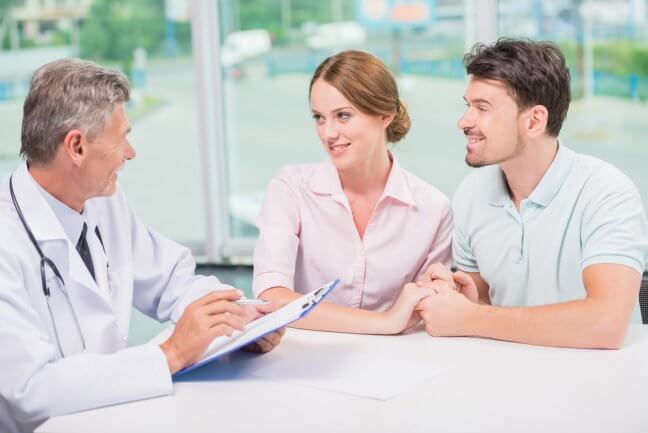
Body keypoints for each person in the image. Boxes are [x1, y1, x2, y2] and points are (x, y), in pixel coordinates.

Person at [0, 58, 283, 433]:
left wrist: (238, 319)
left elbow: (171, 280)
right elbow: (31, 390)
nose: (130, 152)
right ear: (77, 147)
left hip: (117, 413)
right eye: (122, 138)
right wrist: (170, 354)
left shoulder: (103, 200)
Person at [416, 39, 648, 349]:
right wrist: (457, 297)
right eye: (467, 106)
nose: (464, 121)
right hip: (505, 375)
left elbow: (606, 323)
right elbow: (482, 303)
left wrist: (470, 318)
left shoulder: (606, 193)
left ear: (535, 121)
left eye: (482, 108)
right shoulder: (472, 193)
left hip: (598, 384)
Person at [253, 50, 453, 334]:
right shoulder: (290, 189)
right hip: (302, 360)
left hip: (395, 362)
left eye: (343, 116)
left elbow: (425, 308)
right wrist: (385, 322)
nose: (328, 133)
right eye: (319, 118)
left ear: (385, 114)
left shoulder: (433, 208)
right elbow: (271, 297)